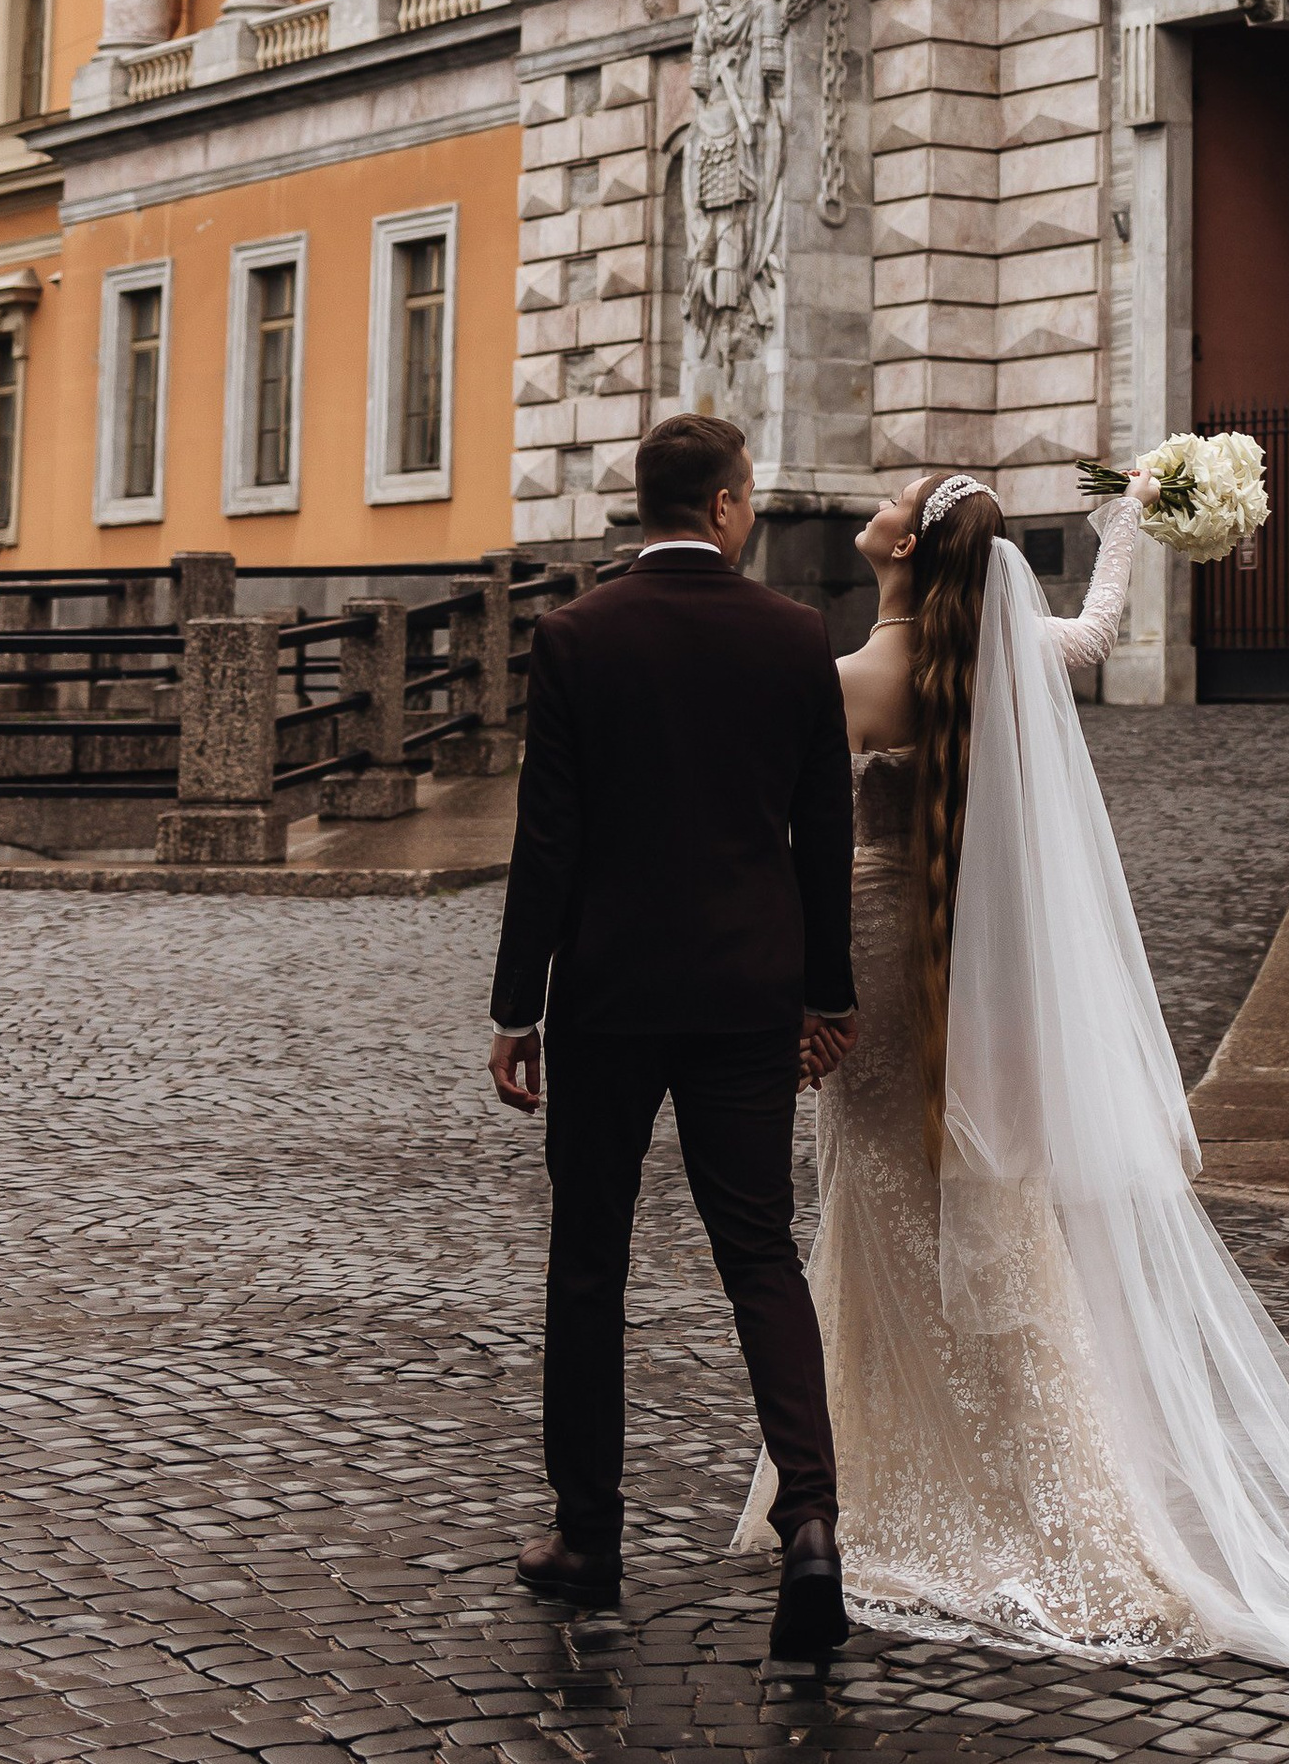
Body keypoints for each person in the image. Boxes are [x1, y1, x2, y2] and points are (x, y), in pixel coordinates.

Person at [728, 470, 1289, 1710]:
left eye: (894, 498)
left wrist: (783, 984)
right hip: (963, 970)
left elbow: (783, 832)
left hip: (870, 951)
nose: (874, 503)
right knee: (982, 1199)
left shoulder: (855, 678)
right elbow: (1094, 634)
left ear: (907, 545)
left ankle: (888, 1484)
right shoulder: (998, 648)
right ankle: (1025, 1484)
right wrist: (1126, 522)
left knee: (875, 1201)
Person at [488, 412, 858, 1674]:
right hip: (750, 987)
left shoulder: (575, 635)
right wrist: (826, 992)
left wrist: (517, 1005)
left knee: (589, 1258)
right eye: (746, 494)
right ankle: (811, 1523)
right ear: (724, 505)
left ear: (645, 506)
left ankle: (588, 1536)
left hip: (609, 992)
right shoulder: (796, 634)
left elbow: (548, 838)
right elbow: (822, 831)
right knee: (759, 1251)